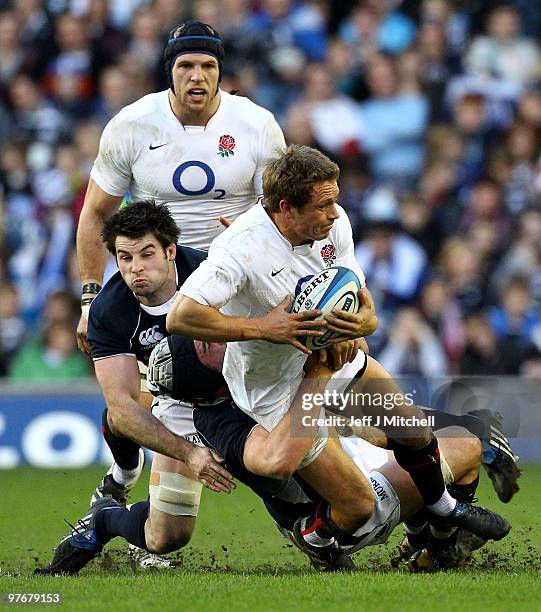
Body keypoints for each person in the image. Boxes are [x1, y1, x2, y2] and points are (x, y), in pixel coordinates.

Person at [168, 144, 510, 560]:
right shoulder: (239, 249)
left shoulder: (335, 224)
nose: (335, 212)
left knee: (415, 432)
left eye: (336, 199)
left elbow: (357, 296)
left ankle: (444, 509)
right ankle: (317, 537)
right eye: (323, 204)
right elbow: (181, 317)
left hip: (335, 359)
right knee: (359, 506)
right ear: (286, 209)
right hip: (276, 388)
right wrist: (263, 328)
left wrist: (365, 324)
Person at [73, 19, 286, 538]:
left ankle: (303, 496)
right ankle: (125, 472)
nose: (197, 76)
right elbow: (95, 213)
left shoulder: (257, 125)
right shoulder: (131, 125)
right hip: (157, 279)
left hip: (232, 286)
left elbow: (283, 212)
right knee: (128, 392)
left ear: (221, 73)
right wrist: (89, 296)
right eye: (186, 65)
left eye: (208, 66)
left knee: (251, 393)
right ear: (169, 71)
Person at [36, 200, 235, 576]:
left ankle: (319, 534)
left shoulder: (212, 274)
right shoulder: (110, 310)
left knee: (281, 466)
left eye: (146, 254)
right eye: (125, 258)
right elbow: (122, 409)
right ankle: (107, 518)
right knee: (166, 537)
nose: (136, 267)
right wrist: (189, 453)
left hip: (238, 397)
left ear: (170, 251)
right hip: (176, 404)